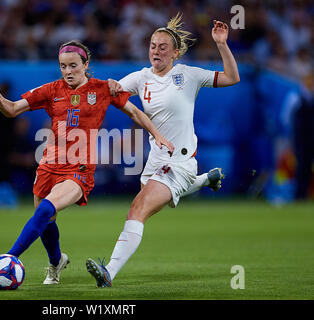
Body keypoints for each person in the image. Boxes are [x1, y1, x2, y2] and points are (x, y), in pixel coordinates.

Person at [0, 40, 174, 285]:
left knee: (46, 209)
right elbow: (13, 109)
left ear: (86, 64)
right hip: (48, 166)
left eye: (73, 66)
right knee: (46, 219)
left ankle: (6, 258)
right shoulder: (51, 90)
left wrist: (158, 134)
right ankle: (56, 262)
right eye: (63, 66)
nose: (68, 71)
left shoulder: (103, 89)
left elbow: (134, 112)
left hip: (78, 170)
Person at [86, 15, 240, 287]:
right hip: (155, 162)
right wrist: (106, 85)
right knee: (165, 200)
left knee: (138, 209)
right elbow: (112, 93)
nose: (156, 51)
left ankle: (108, 271)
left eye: (162, 47)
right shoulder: (141, 77)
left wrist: (221, 44)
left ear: (175, 53)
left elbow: (232, 77)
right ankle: (207, 179)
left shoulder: (188, 75)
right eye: (153, 45)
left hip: (179, 162)